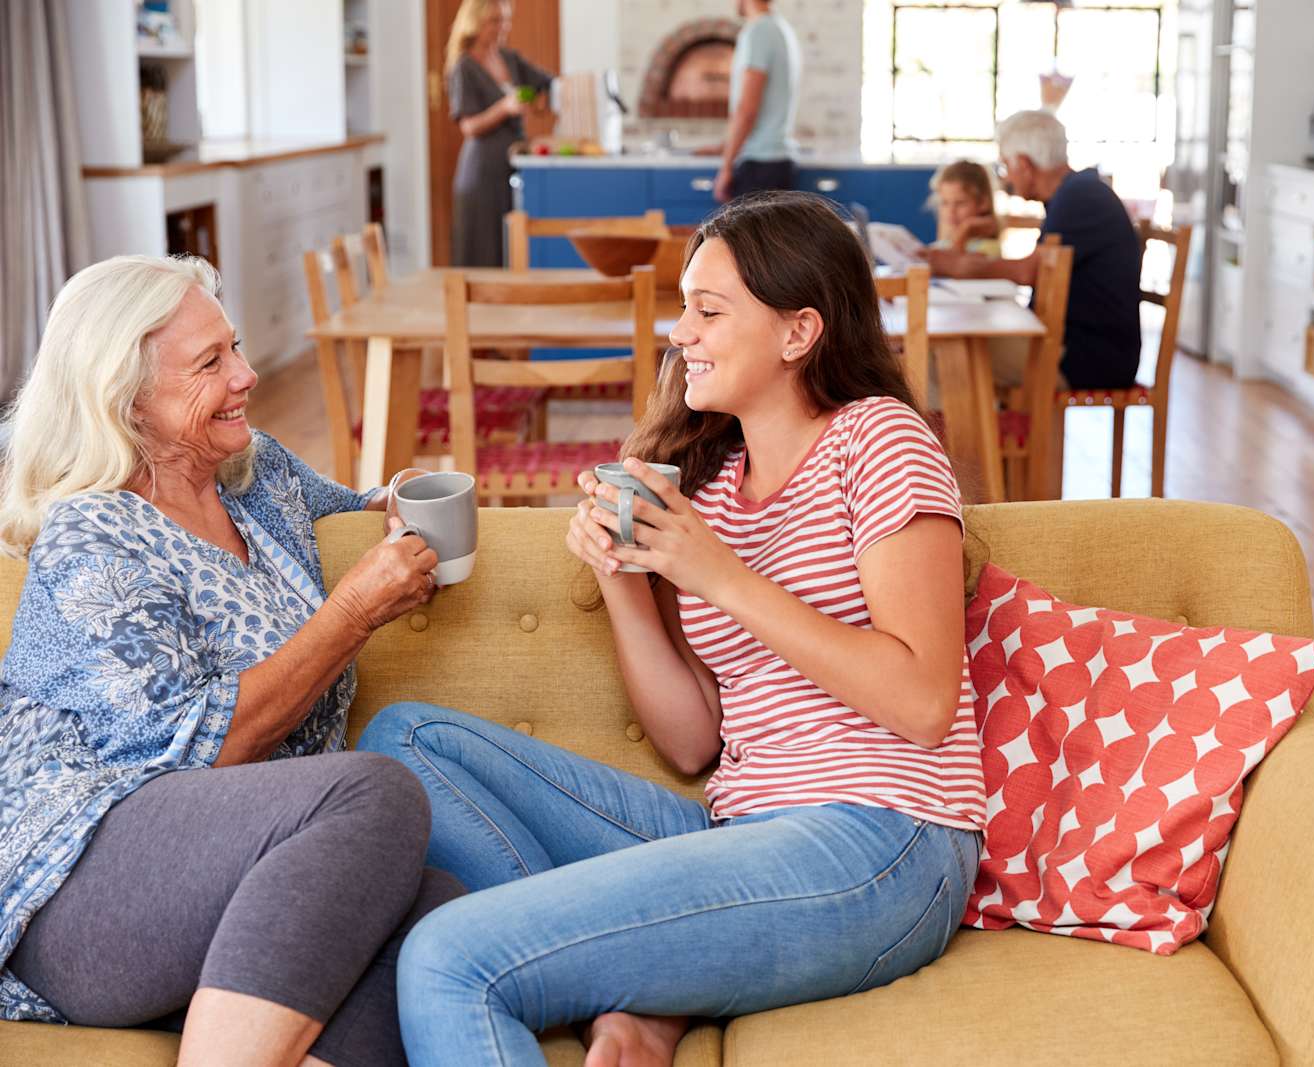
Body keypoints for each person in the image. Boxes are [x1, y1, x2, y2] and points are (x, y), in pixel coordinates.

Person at [356, 193, 985, 1067]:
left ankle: (635, 986)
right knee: (404, 739)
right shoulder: (714, 485)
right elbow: (694, 742)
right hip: (744, 830)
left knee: (451, 957)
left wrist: (713, 571)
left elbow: (922, 701)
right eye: (682, 306)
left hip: (883, 842)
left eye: (708, 310)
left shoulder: (877, 439)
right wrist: (623, 579)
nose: (679, 331)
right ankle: (643, 977)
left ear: (799, 331)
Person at [0, 254, 465, 1065]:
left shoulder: (253, 471)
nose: (247, 375)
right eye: (211, 363)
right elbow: (200, 755)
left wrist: (395, 502)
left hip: (233, 871)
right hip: (81, 883)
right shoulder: (92, 537)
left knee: (438, 915)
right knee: (375, 792)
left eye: (235, 347)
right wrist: (352, 612)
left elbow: (353, 507)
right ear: (125, 395)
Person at [923, 109, 1142, 390]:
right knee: (949, 348)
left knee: (940, 354)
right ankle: (988, 434)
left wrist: (958, 266)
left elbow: (1028, 271)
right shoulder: (1075, 193)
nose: (1007, 178)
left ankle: (968, 435)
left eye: (1006, 166)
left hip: (1087, 358)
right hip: (1075, 347)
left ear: (1024, 164)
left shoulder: (1079, 197)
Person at [446, 0, 552, 266]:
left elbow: (547, 84)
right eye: (495, 20)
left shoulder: (509, 58)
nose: (502, 27)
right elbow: (469, 127)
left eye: (505, 19)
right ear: (475, 22)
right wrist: (504, 108)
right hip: (481, 174)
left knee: (510, 249)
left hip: (510, 168)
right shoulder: (464, 67)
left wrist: (539, 103)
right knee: (484, 253)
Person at [713, 1, 803, 202]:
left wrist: (726, 167)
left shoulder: (758, 32)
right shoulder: (781, 28)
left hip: (759, 167)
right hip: (777, 163)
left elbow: (747, 109)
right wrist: (726, 145)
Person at [930, 160, 1001, 254]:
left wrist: (966, 229)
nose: (951, 211)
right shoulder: (941, 245)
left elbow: (952, 264)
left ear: (983, 203)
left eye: (960, 203)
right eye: (945, 203)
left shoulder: (989, 249)